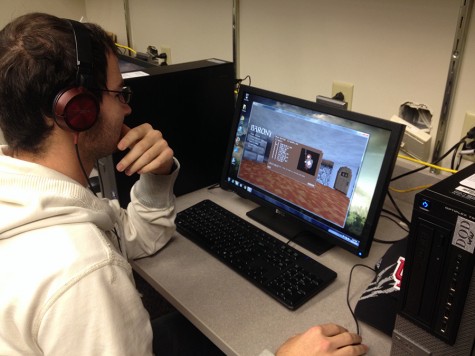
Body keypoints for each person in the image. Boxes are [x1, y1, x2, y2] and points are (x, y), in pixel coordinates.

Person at [0, 12, 368, 356]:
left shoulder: (26, 196)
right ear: (79, 111)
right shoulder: (83, 274)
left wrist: (158, 177)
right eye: (119, 94)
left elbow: (139, 239)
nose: (128, 109)